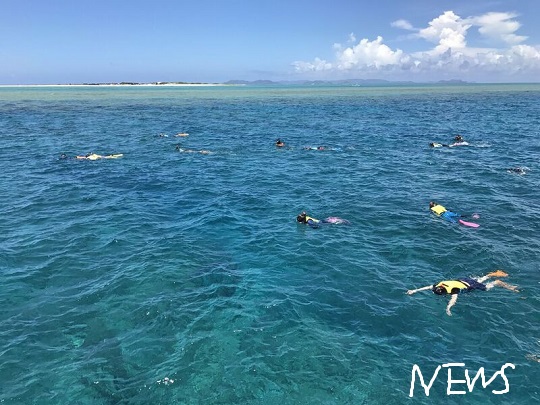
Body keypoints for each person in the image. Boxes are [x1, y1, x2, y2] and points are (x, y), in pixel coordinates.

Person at [406, 270, 519, 316]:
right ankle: (491, 274)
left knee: (486, 288)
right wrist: (414, 290)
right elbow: (428, 287)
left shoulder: (452, 291)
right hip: (462, 279)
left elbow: (453, 300)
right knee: (478, 280)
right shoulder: (438, 285)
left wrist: (448, 309)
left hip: (469, 285)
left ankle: (497, 281)